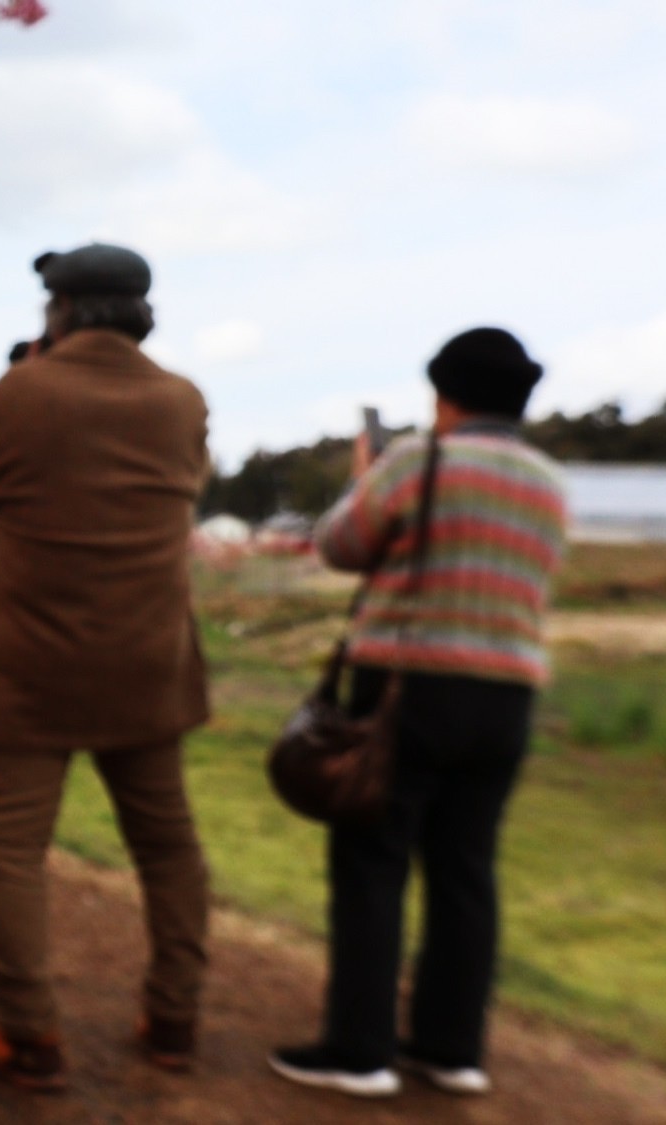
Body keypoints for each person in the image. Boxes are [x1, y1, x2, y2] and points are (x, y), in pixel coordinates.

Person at [269, 328, 567, 1099]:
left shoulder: (418, 459)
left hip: (406, 683)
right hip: (508, 690)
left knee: (373, 859)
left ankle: (359, 1049)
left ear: (444, 392)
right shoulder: (548, 480)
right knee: (467, 868)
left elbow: (340, 545)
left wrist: (360, 482)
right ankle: (451, 1045)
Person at [0, 243, 213, 1091]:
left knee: (13, 854)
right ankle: (173, 1020)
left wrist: (12, 380)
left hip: (32, 667)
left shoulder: (26, 391)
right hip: (147, 661)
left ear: (57, 312)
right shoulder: (181, 399)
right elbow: (187, 481)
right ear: (141, 312)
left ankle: (31, 1037)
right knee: (167, 847)